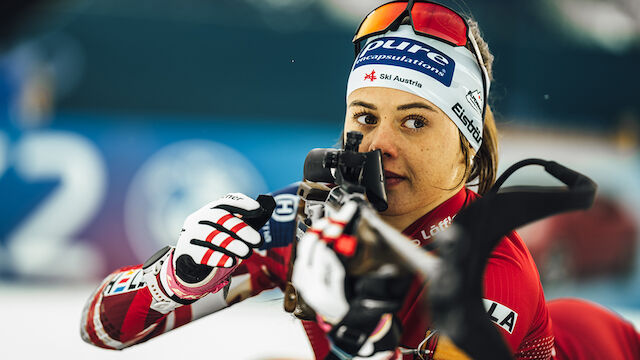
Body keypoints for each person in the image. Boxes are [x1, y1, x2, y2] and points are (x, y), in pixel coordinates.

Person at [80, 1, 640, 359]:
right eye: (365, 118)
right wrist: (171, 281)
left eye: (415, 122)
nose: (379, 146)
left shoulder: (494, 269)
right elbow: (101, 329)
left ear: (465, 153)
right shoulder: (309, 221)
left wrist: (357, 340)